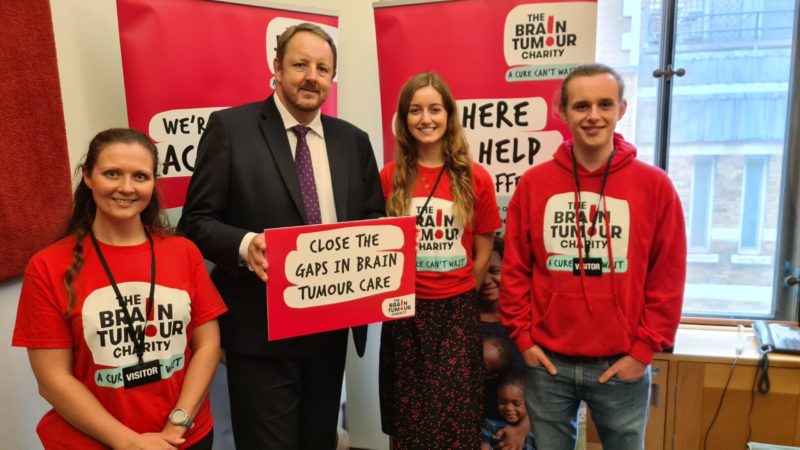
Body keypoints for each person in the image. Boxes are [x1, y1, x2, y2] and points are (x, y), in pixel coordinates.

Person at [177, 22, 385, 450]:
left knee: (318, 442)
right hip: (260, 331)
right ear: (276, 66)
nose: (312, 76)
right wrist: (243, 243)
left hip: (331, 331)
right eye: (300, 64)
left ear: (331, 78)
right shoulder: (230, 129)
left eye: (323, 68)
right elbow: (195, 222)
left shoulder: (354, 141)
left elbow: (373, 220)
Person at [499, 63, 687, 449]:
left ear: (622, 109)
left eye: (605, 104)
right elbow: (516, 268)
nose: (593, 116)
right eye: (581, 106)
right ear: (563, 111)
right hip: (548, 363)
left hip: (622, 365)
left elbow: (667, 276)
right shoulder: (535, 184)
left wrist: (643, 350)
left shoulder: (655, 186)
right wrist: (523, 337)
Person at [12, 128, 226, 449]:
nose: (126, 188)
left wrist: (178, 421)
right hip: (95, 443)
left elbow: (208, 345)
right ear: (87, 177)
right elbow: (53, 380)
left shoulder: (183, 253)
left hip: (184, 437)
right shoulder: (47, 267)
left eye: (140, 176)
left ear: (153, 184)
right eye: (112, 173)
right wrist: (128, 442)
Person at [378, 71, 501, 449]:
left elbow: (483, 250)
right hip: (404, 314)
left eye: (434, 109)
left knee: (454, 418)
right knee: (411, 418)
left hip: (455, 314)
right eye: (415, 110)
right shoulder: (389, 177)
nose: (425, 119)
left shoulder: (474, 178)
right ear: (404, 118)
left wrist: (461, 290)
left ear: (448, 115)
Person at [481, 373, 537, 450]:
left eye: (516, 403)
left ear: (529, 403)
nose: (508, 408)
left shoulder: (536, 431)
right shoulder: (490, 425)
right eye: (502, 402)